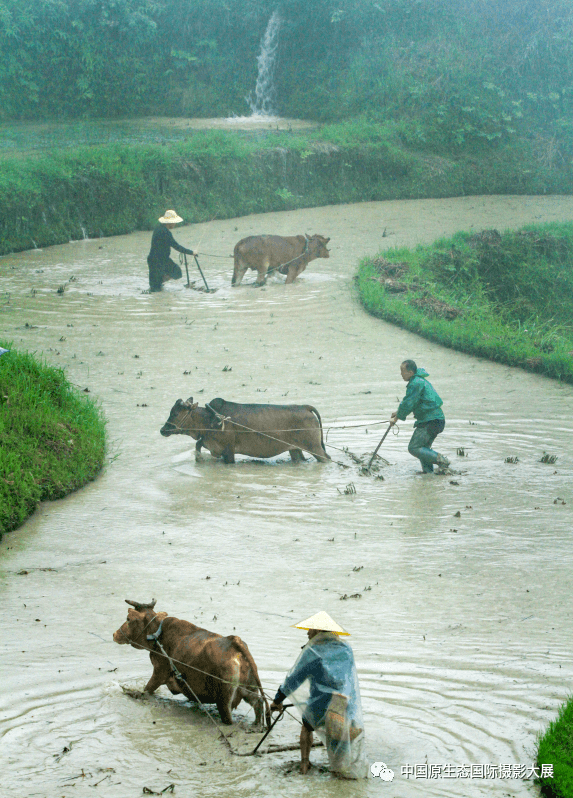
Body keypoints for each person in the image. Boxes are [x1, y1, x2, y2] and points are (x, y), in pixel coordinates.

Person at [270, 611, 367, 779]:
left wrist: (277, 700)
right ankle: (342, 769)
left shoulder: (312, 651)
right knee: (340, 733)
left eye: (310, 630)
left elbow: (294, 679)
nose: (307, 633)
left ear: (318, 632)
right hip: (344, 703)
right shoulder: (346, 649)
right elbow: (350, 680)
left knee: (307, 726)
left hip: (319, 705)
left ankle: (305, 763)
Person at [390, 359, 449, 473]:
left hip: (430, 421)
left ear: (411, 372)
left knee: (414, 447)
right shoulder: (419, 381)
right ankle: (428, 475)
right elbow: (413, 402)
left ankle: (442, 460)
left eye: (403, 371)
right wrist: (398, 412)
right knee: (423, 449)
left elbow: (408, 403)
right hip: (436, 420)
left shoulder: (415, 383)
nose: (401, 374)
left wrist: (396, 418)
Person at [147, 210, 196, 292]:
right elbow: (176, 246)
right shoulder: (166, 233)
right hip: (160, 261)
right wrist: (192, 252)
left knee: (155, 288)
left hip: (154, 260)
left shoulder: (158, 229)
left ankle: (159, 280)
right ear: (168, 222)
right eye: (173, 222)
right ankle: (160, 280)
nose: (175, 224)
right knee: (177, 272)